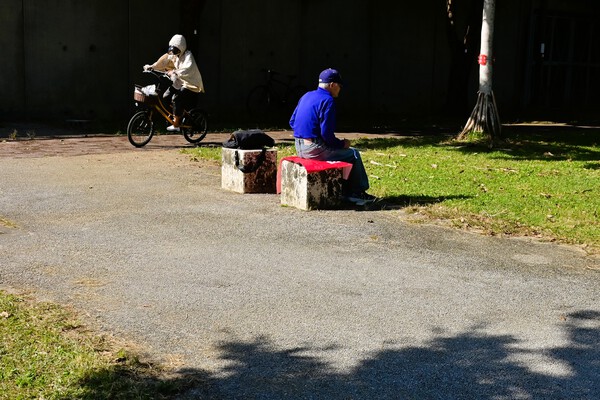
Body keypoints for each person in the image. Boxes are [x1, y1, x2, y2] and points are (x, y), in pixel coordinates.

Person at [289, 68, 376, 205]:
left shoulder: (306, 95)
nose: (340, 89)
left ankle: (345, 190)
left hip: (299, 146)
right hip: (314, 149)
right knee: (353, 154)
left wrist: (306, 133)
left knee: (345, 152)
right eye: (339, 86)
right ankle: (357, 193)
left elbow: (292, 122)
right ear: (332, 85)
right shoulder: (327, 100)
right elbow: (326, 135)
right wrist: (342, 144)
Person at [144, 34, 204, 132]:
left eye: (176, 49)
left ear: (182, 48)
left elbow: (186, 68)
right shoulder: (174, 55)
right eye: (173, 49)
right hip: (180, 81)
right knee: (166, 96)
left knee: (177, 99)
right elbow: (163, 61)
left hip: (190, 83)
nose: (174, 52)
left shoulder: (188, 56)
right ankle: (177, 114)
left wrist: (174, 72)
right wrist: (152, 66)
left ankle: (176, 124)